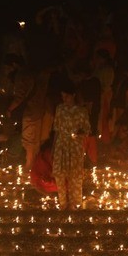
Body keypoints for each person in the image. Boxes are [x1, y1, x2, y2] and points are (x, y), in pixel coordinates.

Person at [51, 81, 90, 210]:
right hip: (61, 144)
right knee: (59, 175)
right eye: (62, 96)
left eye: (66, 96)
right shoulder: (60, 109)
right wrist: (54, 147)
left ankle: (75, 204)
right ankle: (63, 203)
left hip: (75, 146)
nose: (64, 99)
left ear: (73, 95)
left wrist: (78, 133)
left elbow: (87, 129)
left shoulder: (81, 111)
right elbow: (56, 129)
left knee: (75, 175)